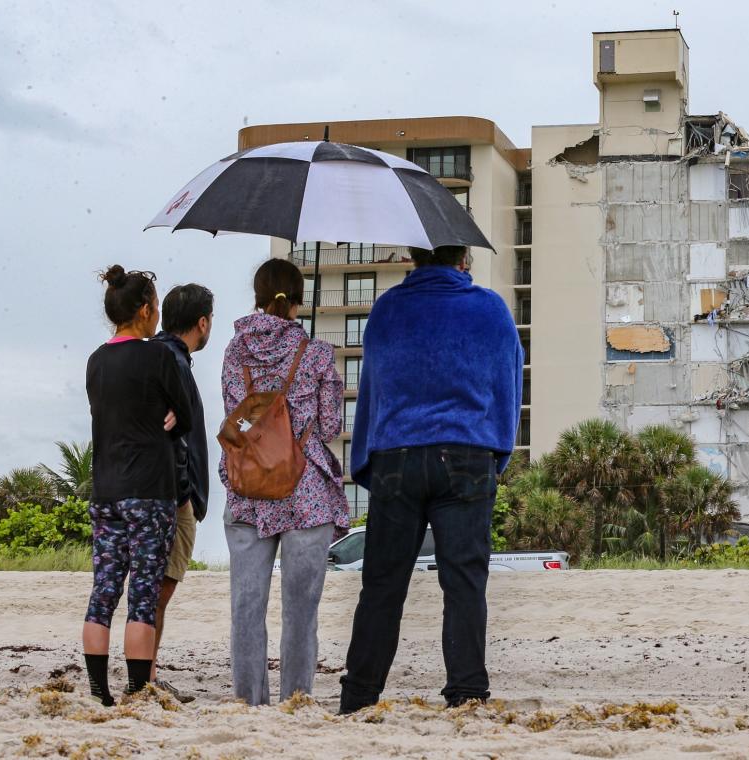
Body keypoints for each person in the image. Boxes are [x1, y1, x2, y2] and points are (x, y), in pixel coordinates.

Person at [339, 245, 522, 714]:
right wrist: (495, 457)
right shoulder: (491, 309)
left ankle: (359, 695)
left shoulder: (387, 308)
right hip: (467, 452)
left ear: (413, 257)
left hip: (397, 455)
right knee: (463, 582)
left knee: (382, 584)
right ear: (463, 258)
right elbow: (508, 389)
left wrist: (367, 463)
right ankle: (466, 692)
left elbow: (372, 389)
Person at [221, 258, 348, 706]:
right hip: (304, 492)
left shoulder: (235, 349)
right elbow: (330, 426)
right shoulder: (314, 353)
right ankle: (296, 699)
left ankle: (250, 700)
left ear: (257, 295)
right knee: (300, 611)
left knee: (246, 606)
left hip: (248, 489)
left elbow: (236, 419)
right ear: (296, 301)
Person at [83, 265, 193, 706]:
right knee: (143, 593)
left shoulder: (96, 360)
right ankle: (136, 688)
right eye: (157, 307)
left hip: (105, 489)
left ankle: (97, 689)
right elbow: (184, 415)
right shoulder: (158, 356)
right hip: (149, 489)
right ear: (145, 310)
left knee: (104, 589)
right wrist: (170, 417)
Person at [148, 283, 214, 703]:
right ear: (202, 323)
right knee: (161, 588)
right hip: (174, 495)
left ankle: (148, 672)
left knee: (158, 588)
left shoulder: (164, 356)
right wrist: (185, 495)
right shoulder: (172, 360)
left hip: (164, 491)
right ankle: (147, 675)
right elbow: (175, 437)